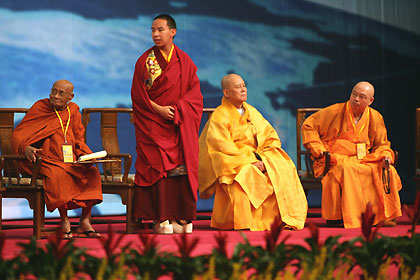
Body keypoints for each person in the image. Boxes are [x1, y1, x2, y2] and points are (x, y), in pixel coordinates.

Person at [198, 73, 307, 231]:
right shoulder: (220, 115)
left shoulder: (251, 111)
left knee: (283, 167)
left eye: (244, 86)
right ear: (226, 93)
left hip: (258, 156)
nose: (243, 90)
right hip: (234, 163)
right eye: (238, 87)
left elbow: (269, 134)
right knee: (247, 173)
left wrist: (266, 156)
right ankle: (248, 221)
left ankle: (282, 218)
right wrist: (250, 161)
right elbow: (221, 147)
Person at [131, 14, 203, 234]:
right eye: (152, 30)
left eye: (160, 29)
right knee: (159, 163)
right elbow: (138, 97)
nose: (155, 34)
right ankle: (160, 217)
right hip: (153, 123)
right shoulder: (146, 61)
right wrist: (159, 109)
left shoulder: (184, 61)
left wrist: (179, 109)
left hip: (178, 123)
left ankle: (180, 216)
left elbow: (195, 95)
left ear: (173, 32)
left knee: (181, 166)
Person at [301, 81, 402, 228]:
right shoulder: (335, 111)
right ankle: (354, 217)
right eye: (354, 94)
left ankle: (381, 216)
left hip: (363, 158)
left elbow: (382, 144)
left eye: (361, 97)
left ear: (370, 101)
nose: (356, 99)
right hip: (335, 158)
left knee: (387, 170)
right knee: (347, 169)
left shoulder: (375, 117)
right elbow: (308, 126)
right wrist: (318, 150)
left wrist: (386, 155)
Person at [11, 79, 103, 238]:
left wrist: (85, 155)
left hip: (69, 160)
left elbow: (79, 139)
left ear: (70, 97)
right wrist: (25, 148)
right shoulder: (40, 108)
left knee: (92, 174)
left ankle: (85, 221)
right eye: (54, 91)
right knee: (59, 175)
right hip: (44, 160)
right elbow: (18, 135)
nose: (55, 96)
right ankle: (64, 221)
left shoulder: (73, 111)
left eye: (61, 93)